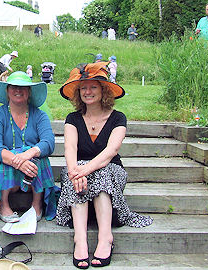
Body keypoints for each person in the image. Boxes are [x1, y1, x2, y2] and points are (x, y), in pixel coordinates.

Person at [56, 62, 153, 268]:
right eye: (83, 88)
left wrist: (84, 170)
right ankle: (80, 240)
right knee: (81, 170)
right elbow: (70, 149)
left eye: (93, 87)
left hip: (110, 171)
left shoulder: (118, 118)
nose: (87, 92)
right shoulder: (73, 118)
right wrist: (76, 171)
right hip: (78, 172)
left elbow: (111, 152)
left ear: (103, 90)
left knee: (102, 172)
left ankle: (105, 238)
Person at [0, 71, 58, 223]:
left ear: (29, 92)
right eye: (13, 87)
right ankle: (3, 204)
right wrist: (16, 160)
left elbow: (48, 142)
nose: (18, 90)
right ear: (7, 91)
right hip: (7, 169)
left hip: (32, 170)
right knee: (4, 158)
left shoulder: (40, 115)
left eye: (23, 87)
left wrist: (26, 155)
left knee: (38, 158)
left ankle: (37, 203)